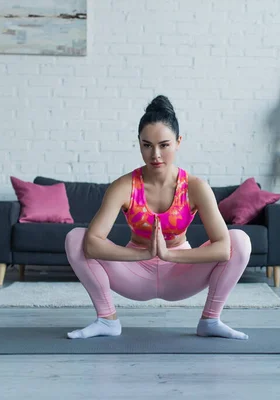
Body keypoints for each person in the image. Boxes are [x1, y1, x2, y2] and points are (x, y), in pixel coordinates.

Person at [64, 95, 252, 340]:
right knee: (75, 238)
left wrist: (169, 255)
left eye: (164, 145)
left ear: (178, 142)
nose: (155, 155)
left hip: (181, 274)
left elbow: (223, 248)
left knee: (240, 241)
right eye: (147, 145)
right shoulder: (124, 186)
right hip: (134, 274)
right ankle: (107, 320)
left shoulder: (196, 187)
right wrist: (142, 254)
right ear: (139, 144)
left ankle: (211, 320)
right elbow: (92, 243)